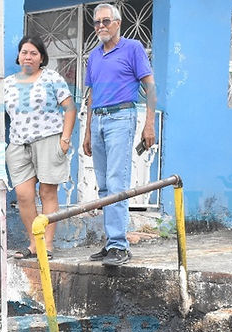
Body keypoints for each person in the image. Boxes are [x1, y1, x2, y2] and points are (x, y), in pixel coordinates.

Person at [81, 2, 156, 267]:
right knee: (103, 185)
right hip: (99, 120)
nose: (101, 26)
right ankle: (111, 240)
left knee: (116, 182)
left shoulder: (133, 48)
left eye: (106, 21)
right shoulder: (93, 56)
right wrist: (88, 130)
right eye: (97, 22)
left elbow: (149, 86)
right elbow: (90, 96)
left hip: (122, 117)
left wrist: (149, 124)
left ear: (118, 23)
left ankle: (119, 245)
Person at [4, 35, 76, 260]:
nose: (28, 56)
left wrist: (64, 140)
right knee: (24, 195)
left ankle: (48, 245)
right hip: (18, 144)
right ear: (18, 56)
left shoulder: (51, 78)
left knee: (47, 192)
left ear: (41, 57)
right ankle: (34, 243)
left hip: (48, 140)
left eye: (33, 53)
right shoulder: (7, 83)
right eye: (24, 52)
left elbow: (70, 108)